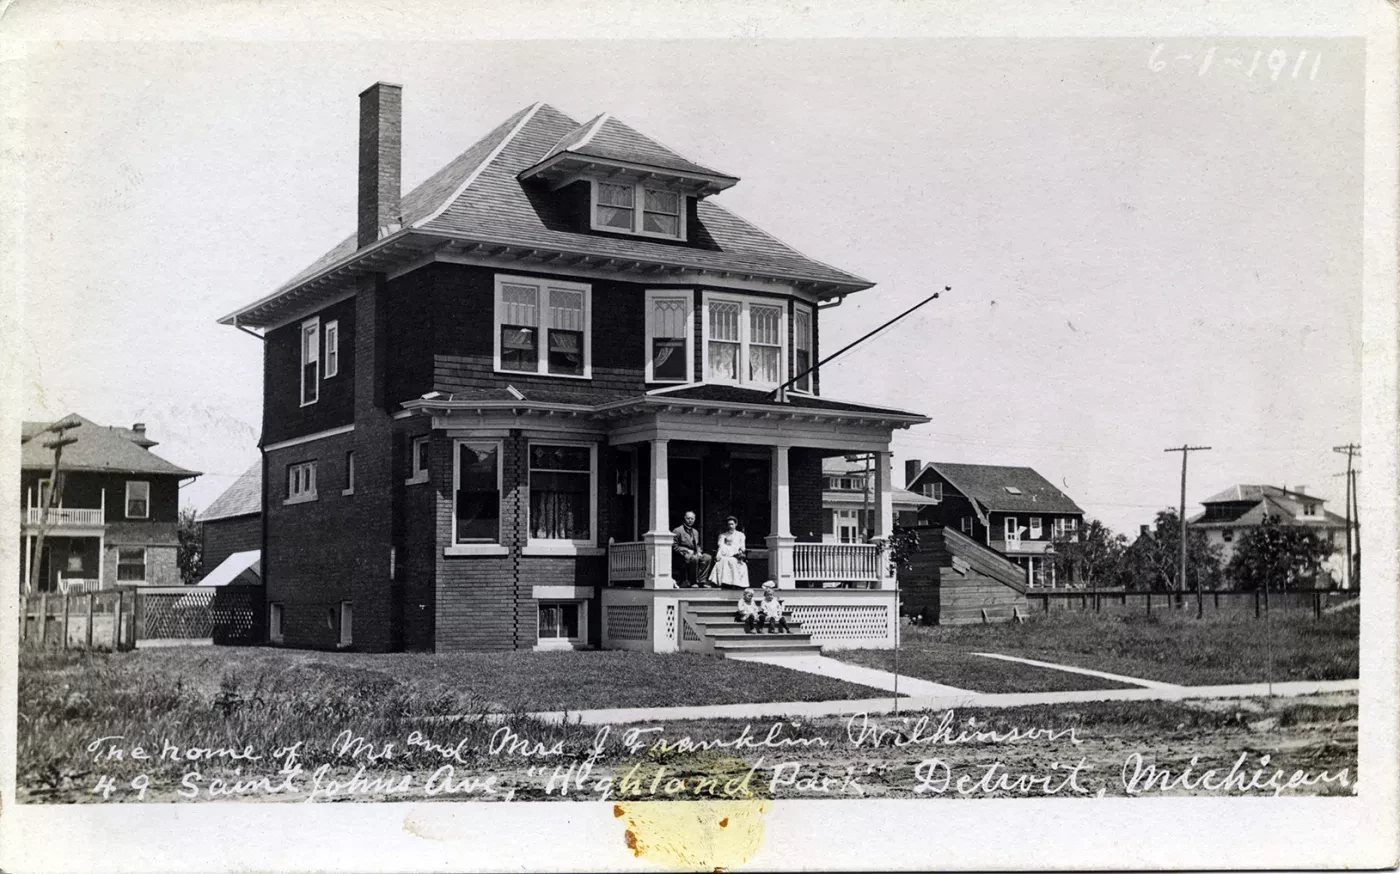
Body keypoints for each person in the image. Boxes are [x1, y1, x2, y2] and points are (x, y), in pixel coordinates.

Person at [671, 510, 713, 587]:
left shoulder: (695, 531)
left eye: (692, 519)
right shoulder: (677, 530)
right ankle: (693, 582)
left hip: (694, 553)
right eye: (688, 518)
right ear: (684, 518)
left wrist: (699, 552)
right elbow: (674, 546)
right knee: (694, 558)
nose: (690, 521)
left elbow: (697, 545)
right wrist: (686, 550)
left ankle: (701, 581)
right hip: (681, 556)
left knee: (707, 557)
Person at [712, 516, 749, 589]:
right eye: (729, 524)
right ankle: (726, 583)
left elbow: (742, 547)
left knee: (733, 561)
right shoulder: (723, 535)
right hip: (725, 554)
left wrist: (740, 552)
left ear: (736, 524)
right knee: (724, 561)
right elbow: (720, 545)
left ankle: (736, 583)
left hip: (736, 555)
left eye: (732, 524)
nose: (730, 526)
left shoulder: (740, 535)